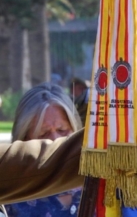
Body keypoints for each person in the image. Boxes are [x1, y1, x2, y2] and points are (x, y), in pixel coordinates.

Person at [5, 82, 83, 217]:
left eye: (62, 130)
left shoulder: (96, 181)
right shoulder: (11, 190)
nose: (55, 140)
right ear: (24, 139)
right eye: (43, 134)